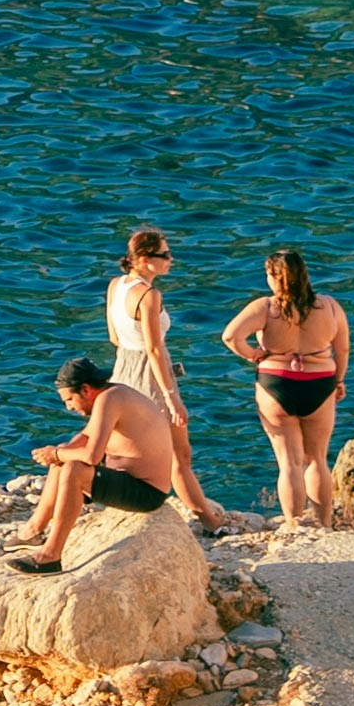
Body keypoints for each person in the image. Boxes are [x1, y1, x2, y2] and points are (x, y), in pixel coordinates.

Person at [17, 351, 188, 572]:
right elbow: (86, 437)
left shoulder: (110, 399)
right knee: (65, 457)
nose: (68, 407)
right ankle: (32, 531)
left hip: (146, 493)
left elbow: (91, 456)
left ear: (86, 389)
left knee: (73, 468)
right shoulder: (113, 394)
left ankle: (51, 555)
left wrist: (57, 454)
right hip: (128, 480)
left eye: (69, 399)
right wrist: (59, 452)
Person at [223, 247, 353, 526]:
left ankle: (294, 525)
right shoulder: (329, 306)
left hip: (276, 384)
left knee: (289, 463)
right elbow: (342, 349)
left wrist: (253, 354)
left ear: (274, 276)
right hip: (320, 383)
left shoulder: (266, 308)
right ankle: (324, 524)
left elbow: (231, 337)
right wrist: (339, 380)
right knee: (317, 459)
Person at [106, 224, 220, 531]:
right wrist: (172, 398)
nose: (171, 259)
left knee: (134, 449)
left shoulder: (116, 286)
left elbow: (115, 337)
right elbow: (155, 350)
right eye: (165, 255)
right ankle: (210, 522)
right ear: (143, 259)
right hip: (151, 377)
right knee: (178, 456)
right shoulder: (149, 296)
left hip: (123, 372)